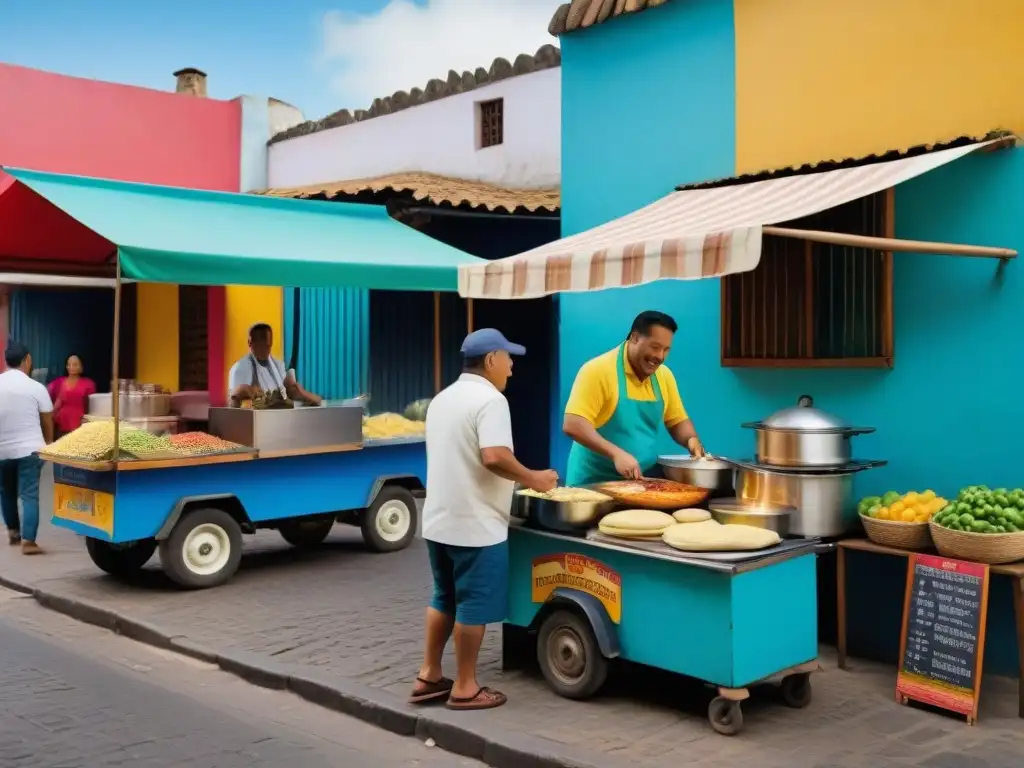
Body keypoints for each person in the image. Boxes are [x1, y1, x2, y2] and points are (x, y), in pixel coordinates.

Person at [411, 328, 558, 711]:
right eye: (508, 358)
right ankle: (464, 686)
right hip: (475, 524)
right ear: (491, 359)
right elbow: (494, 456)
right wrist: (535, 478)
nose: (511, 367)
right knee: (473, 605)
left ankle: (428, 675)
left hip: (439, 519)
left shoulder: (442, 399)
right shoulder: (491, 401)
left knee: (443, 596)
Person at [563, 310, 706, 486]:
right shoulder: (596, 371)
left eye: (666, 349)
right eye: (655, 347)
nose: (660, 356)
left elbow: (677, 421)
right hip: (593, 484)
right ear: (635, 338)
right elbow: (573, 424)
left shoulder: (664, 376)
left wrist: (691, 440)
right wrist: (616, 453)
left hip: (640, 482)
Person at [0, 342, 54, 554]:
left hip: (2, 451)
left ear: (6, 361)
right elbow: (47, 418)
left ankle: (13, 533)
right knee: (29, 494)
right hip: (30, 449)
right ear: (27, 361)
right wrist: (49, 441)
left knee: (5, 492)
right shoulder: (36, 387)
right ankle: (28, 541)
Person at [227, 322, 321, 406]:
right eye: (261, 345)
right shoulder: (240, 368)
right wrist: (244, 391)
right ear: (250, 343)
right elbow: (233, 404)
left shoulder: (278, 365)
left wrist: (300, 392)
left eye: (268, 346)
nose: (266, 350)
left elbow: (289, 395)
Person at [47, 354, 96, 438]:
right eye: (69, 364)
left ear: (81, 367)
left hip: (80, 424)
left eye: (75, 364)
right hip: (60, 424)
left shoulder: (88, 384)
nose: (71, 367)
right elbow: (48, 398)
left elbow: (91, 406)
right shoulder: (58, 382)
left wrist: (88, 419)